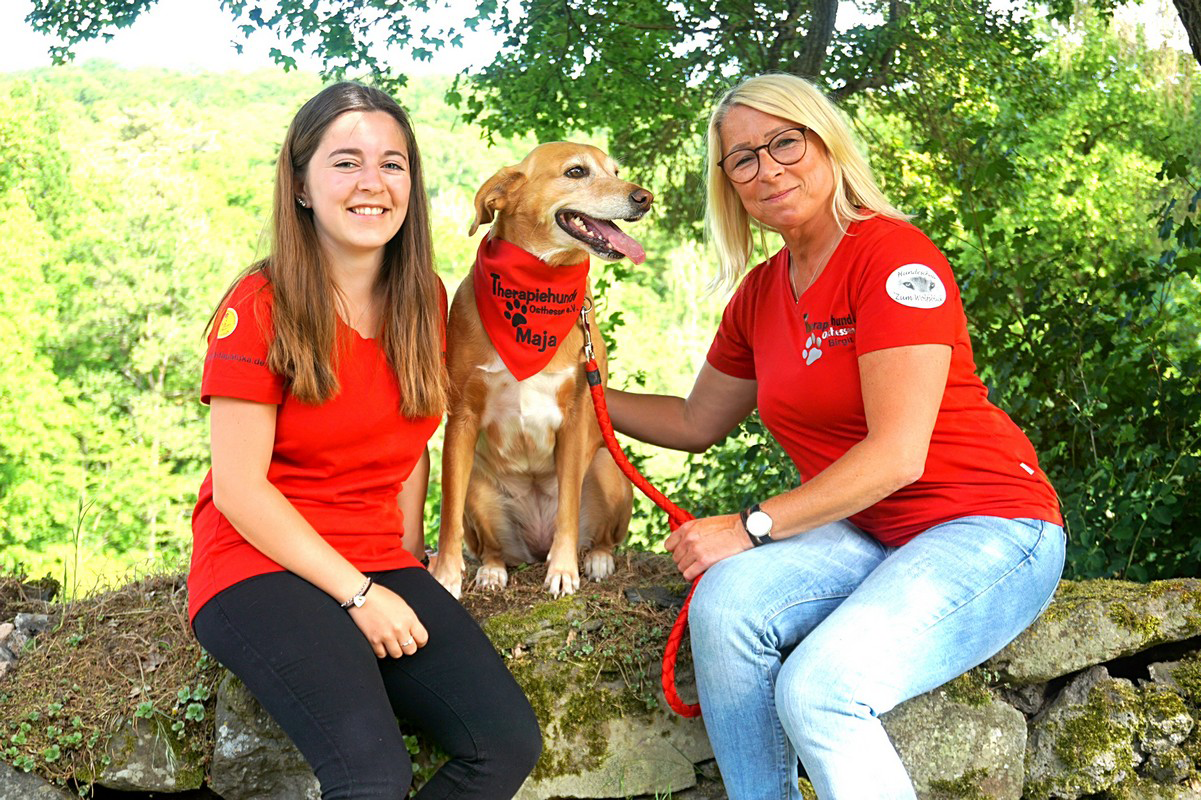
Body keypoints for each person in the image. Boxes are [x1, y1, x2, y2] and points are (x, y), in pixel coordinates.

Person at [606, 73, 1065, 799]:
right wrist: (580, 392)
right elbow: (696, 424)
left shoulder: (892, 258)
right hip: (871, 531)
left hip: (987, 525)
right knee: (723, 604)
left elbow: (896, 453)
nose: (768, 168)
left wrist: (752, 527)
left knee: (819, 690)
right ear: (728, 183)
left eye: (785, 142)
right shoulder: (760, 293)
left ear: (826, 143)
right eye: (743, 158)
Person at [187, 82, 541, 800]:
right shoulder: (260, 306)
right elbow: (240, 490)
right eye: (345, 162)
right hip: (256, 565)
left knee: (502, 744)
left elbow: (409, 443)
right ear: (301, 185)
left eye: (393, 163)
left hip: (375, 556)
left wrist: (400, 566)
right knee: (371, 777)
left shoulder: (426, 301)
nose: (373, 183)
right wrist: (358, 596)